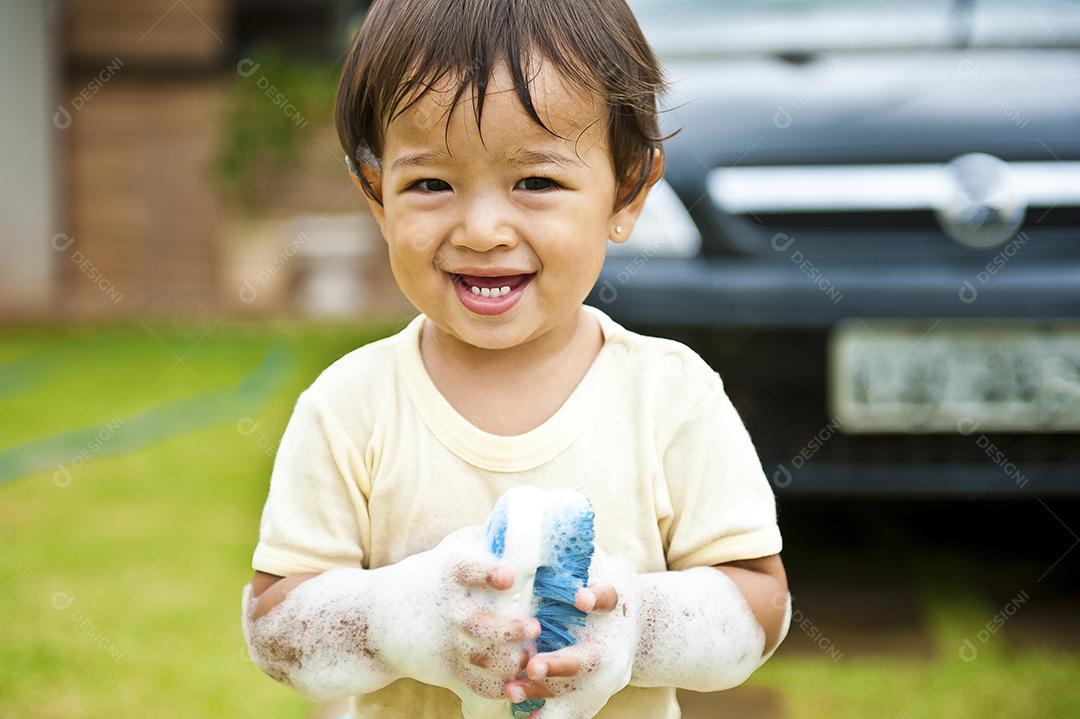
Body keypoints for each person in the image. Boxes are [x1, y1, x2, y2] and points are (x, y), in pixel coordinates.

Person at [241, 1, 792, 717]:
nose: (481, 229)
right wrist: (396, 619)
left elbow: (760, 604)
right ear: (378, 199)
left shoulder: (670, 395)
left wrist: (635, 624)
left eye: (535, 182)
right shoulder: (351, 406)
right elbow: (277, 624)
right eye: (430, 184)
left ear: (627, 191)